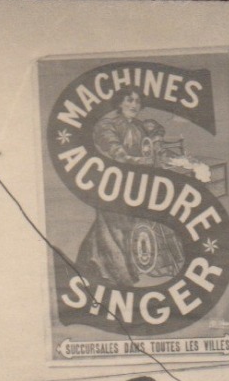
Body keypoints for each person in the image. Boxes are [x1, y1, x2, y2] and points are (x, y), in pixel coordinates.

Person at [75, 90, 185, 288]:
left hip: (134, 184)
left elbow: (154, 133)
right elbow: (118, 155)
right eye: (129, 99)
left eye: (138, 101)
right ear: (119, 102)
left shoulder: (140, 126)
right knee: (114, 230)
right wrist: (147, 161)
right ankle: (115, 276)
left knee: (125, 229)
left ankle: (91, 266)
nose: (134, 104)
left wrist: (158, 142)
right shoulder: (106, 126)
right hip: (112, 185)